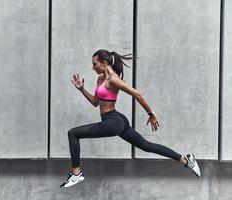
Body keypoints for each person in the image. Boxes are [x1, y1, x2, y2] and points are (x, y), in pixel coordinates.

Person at [60, 49, 200, 188]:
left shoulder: (113, 80)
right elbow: (96, 103)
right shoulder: (100, 79)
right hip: (117, 119)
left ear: (104, 63)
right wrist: (82, 89)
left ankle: (76, 173)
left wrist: (151, 114)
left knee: (73, 133)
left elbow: (137, 94)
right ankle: (186, 160)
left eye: (95, 64)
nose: (92, 67)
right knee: (146, 146)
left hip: (113, 122)